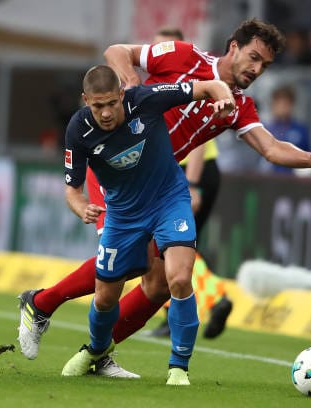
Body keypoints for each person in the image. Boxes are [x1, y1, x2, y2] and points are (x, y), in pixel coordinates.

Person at [17, 19, 311, 373]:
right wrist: (132, 83)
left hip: (158, 186)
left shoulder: (239, 105)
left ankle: (98, 353)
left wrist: (309, 159)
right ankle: (41, 303)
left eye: (265, 65)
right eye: (254, 57)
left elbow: (272, 148)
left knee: (158, 285)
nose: (257, 69)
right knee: (120, 266)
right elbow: (117, 52)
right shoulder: (183, 57)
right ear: (233, 47)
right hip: (114, 173)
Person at [58, 64, 235, 385]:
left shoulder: (146, 99)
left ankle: (178, 367)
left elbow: (210, 86)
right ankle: (96, 351)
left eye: (112, 103)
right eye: (98, 106)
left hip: (169, 201)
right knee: (105, 297)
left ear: (121, 95)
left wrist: (227, 101)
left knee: (179, 278)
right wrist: (82, 207)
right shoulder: (77, 129)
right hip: (123, 215)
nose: (107, 113)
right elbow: (73, 189)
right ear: (86, 101)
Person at [147, 26, 232, 339]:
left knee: (175, 245)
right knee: (172, 245)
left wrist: (191, 185)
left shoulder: (187, 85)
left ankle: (216, 297)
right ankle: (174, 314)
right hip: (183, 174)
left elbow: (199, 141)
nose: (153, 58)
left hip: (193, 173)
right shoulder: (164, 87)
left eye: (160, 50)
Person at [258, 85, 311, 175]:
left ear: (292, 105)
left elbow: (308, 156)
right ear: (273, 105)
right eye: (279, 103)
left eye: (285, 104)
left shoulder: (301, 130)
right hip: (268, 179)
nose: (282, 107)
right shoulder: (264, 129)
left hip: (293, 180)